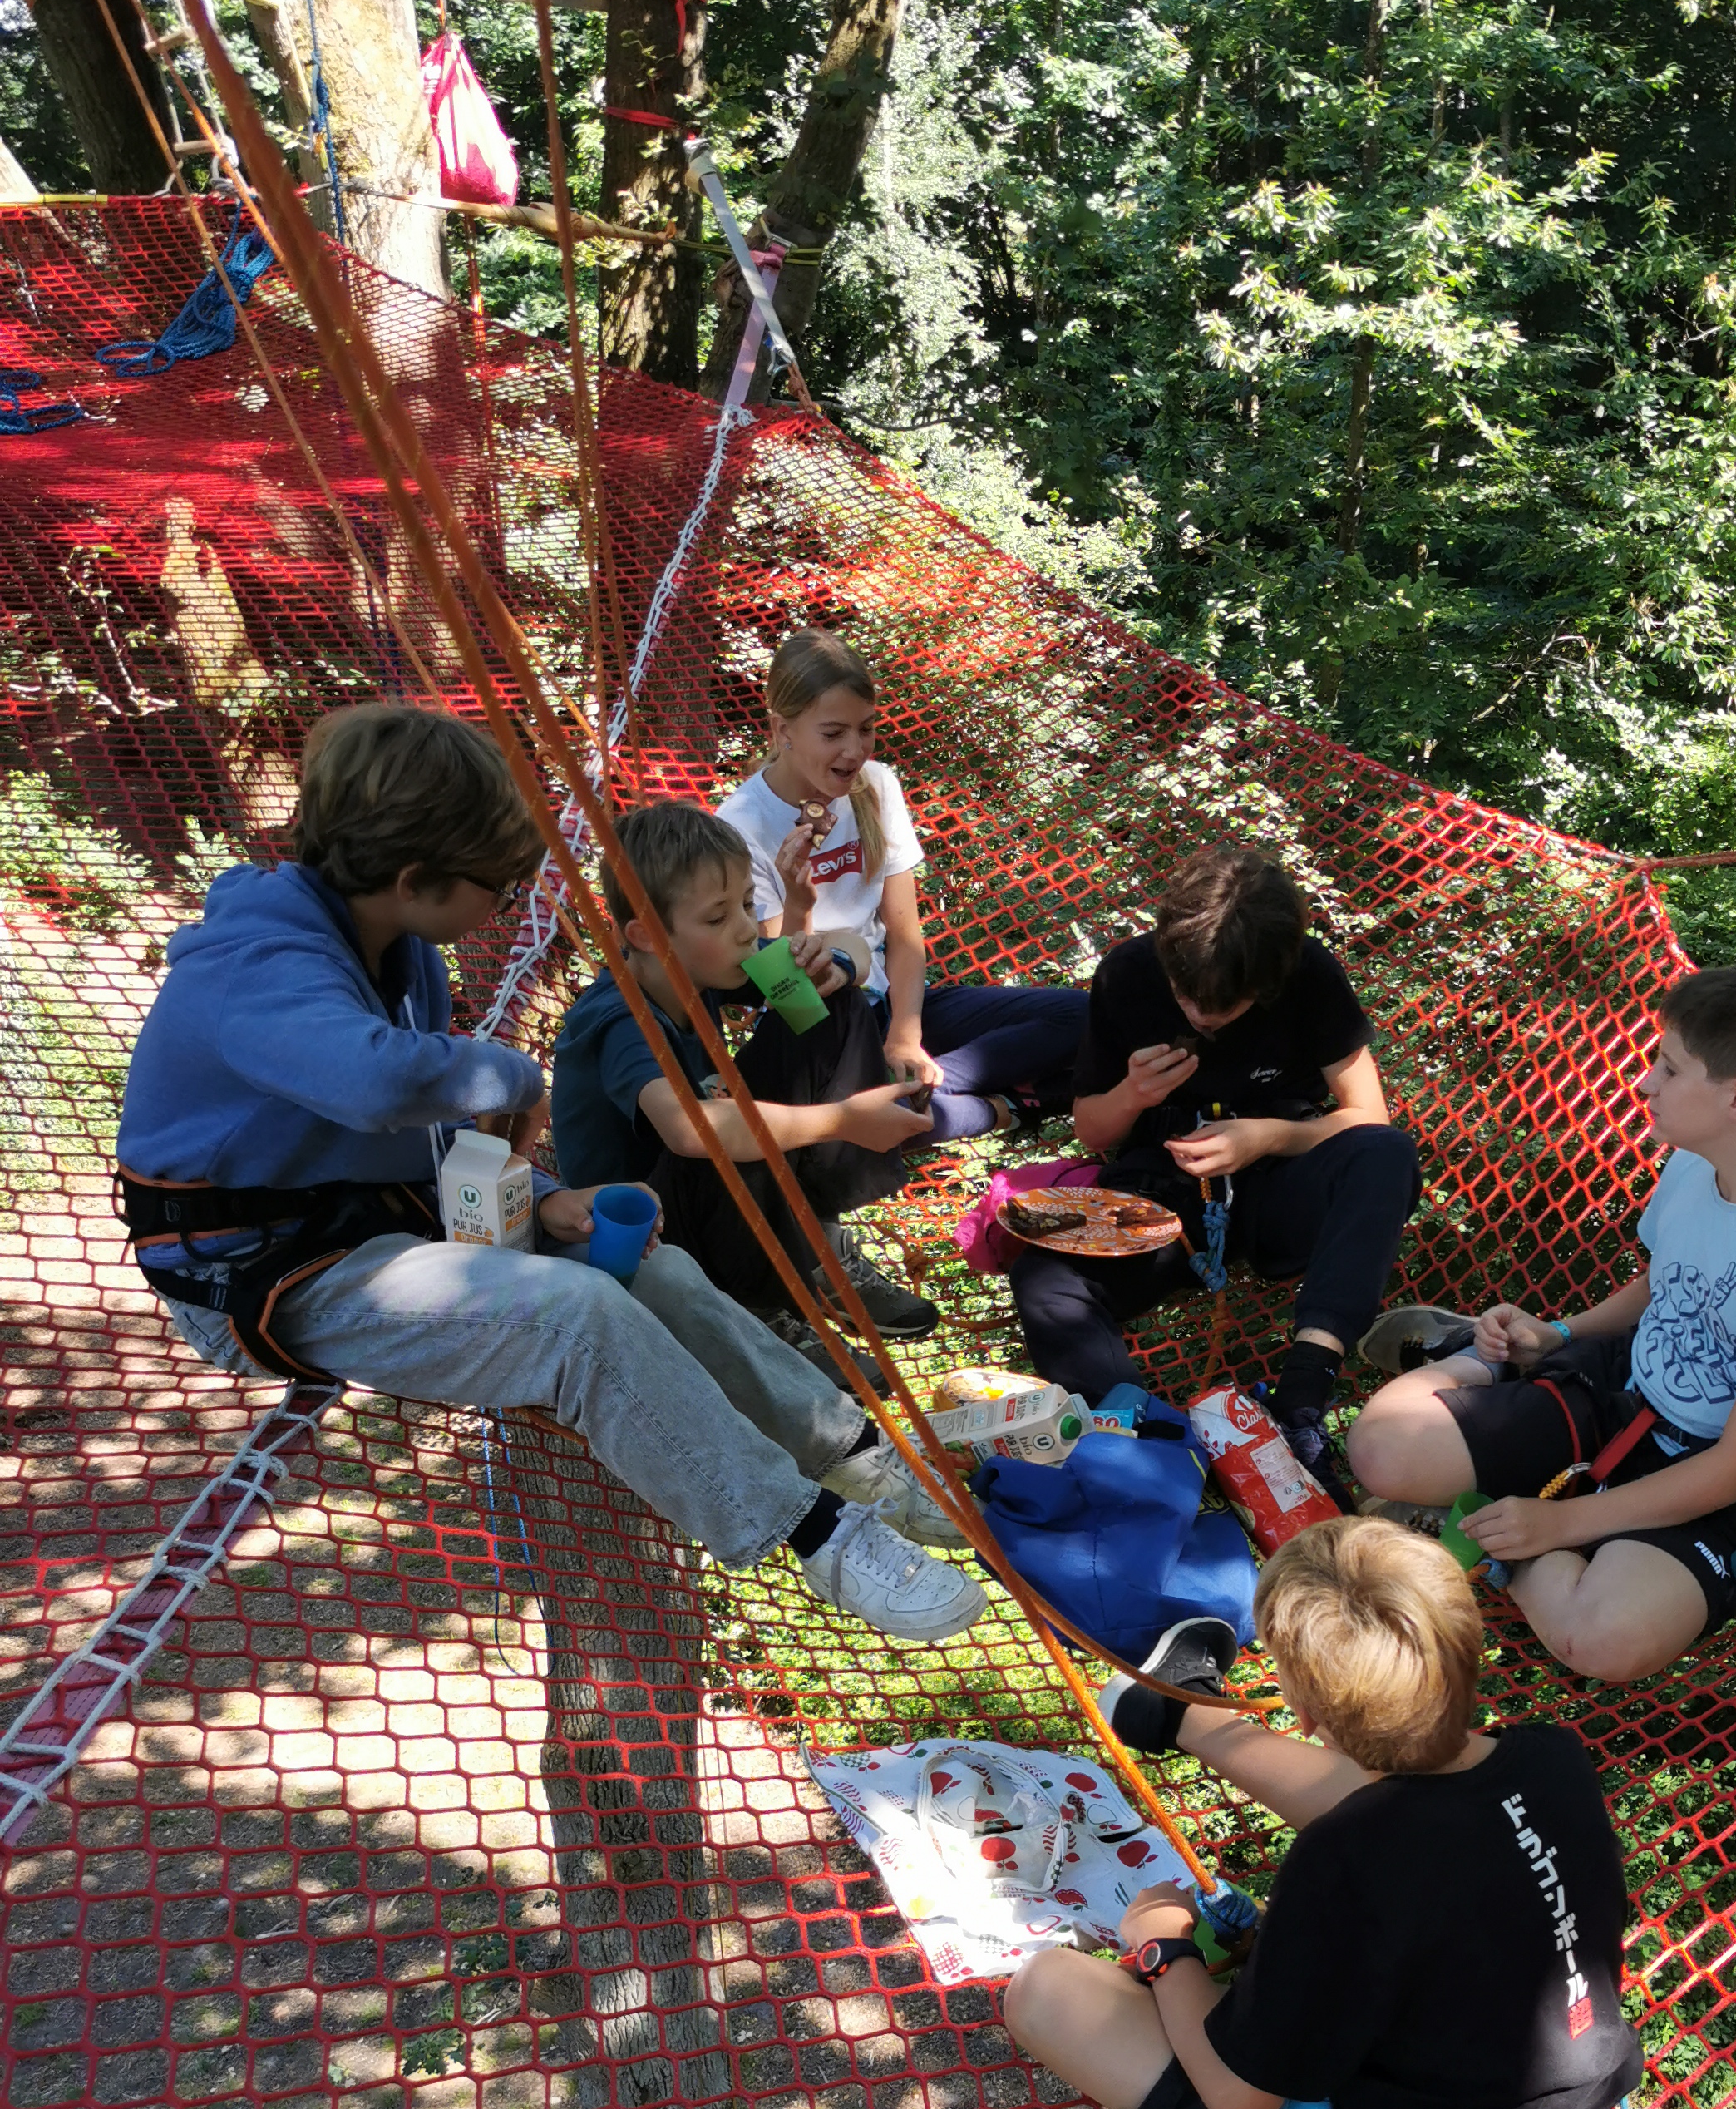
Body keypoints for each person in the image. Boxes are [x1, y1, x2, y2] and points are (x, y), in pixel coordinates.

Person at [114, 701, 990, 1644]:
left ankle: (853, 1453)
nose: (506, 907)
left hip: (381, 1220)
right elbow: (377, 1086)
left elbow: (426, 1131)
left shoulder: (401, 951)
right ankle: (818, 1534)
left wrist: (542, 1198)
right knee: (578, 1317)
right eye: (499, 888)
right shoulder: (257, 963)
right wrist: (514, 1074)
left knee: (656, 1270)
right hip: (264, 1272)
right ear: (414, 881)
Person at [1004, 1519, 1642, 2109]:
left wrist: (1165, 1950)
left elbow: (1239, 2101)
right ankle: (1177, 1712)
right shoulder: (1551, 1756)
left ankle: (1182, 1713)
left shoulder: (1343, 1863)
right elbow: (1408, 1833)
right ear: (1470, 1644)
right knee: (1418, 1795)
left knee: (1045, 1991)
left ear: (1304, 1715)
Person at [1345, 964, 1736, 1682]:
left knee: (1605, 1641)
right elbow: (1670, 1282)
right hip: (1629, 1389)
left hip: (1730, 1476)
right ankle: (1476, 1354)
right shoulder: (1696, 1166)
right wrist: (1561, 1333)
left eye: (1670, 1068)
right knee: (1380, 1449)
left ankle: (1494, 1531)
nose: (1646, 1083)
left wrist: (1557, 1524)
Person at [1006, 841, 1420, 1489]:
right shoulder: (1130, 972)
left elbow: (1369, 1114)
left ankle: (1301, 1402)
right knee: (1043, 1276)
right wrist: (1133, 1093)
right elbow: (1092, 1129)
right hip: (1162, 1190)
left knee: (1386, 1155)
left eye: (1223, 1006)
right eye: (1186, 997)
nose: (1200, 1016)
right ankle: (1151, 1451)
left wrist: (1267, 1136)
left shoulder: (1307, 973)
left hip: (1278, 1178)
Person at [550, 799, 942, 1346]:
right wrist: (843, 1120)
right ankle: (760, 1309)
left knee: (831, 1002)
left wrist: (833, 963)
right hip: (652, 1233)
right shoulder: (620, 1018)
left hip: (719, 1198)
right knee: (722, 1131)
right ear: (647, 936)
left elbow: (849, 947)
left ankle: (816, 1235)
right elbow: (688, 1131)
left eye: (748, 903)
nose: (743, 929)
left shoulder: (703, 964)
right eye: (717, 917)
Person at [717, 627, 1088, 1144]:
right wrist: (800, 903)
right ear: (783, 730)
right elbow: (788, 991)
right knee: (838, 1126)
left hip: (893, 1003)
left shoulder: (877, 785)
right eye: (833, 733)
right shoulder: (740, 826)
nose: (854, 751)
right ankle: (984, 1109)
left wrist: (905, 1037)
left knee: (1080, 1016)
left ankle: (908, 1097)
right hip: (821, 1024)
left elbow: (904, 934)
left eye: (866, 729)